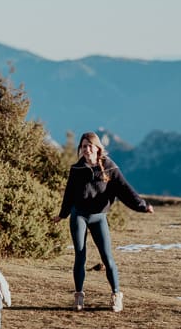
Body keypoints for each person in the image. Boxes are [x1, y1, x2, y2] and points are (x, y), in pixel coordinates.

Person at [54, 132, 154, 312]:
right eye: (83, 146)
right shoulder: (76, 169)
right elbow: (69, 195)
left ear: (97, 148)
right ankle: (79, 296)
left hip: (99, 217)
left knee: (107, 258)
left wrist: (142, 206)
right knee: (80, 255)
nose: (86, 149)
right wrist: (62, 214)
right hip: (79, 216)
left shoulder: (109, 167)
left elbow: (125, 190)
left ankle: (116, 295)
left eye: (90, 146)